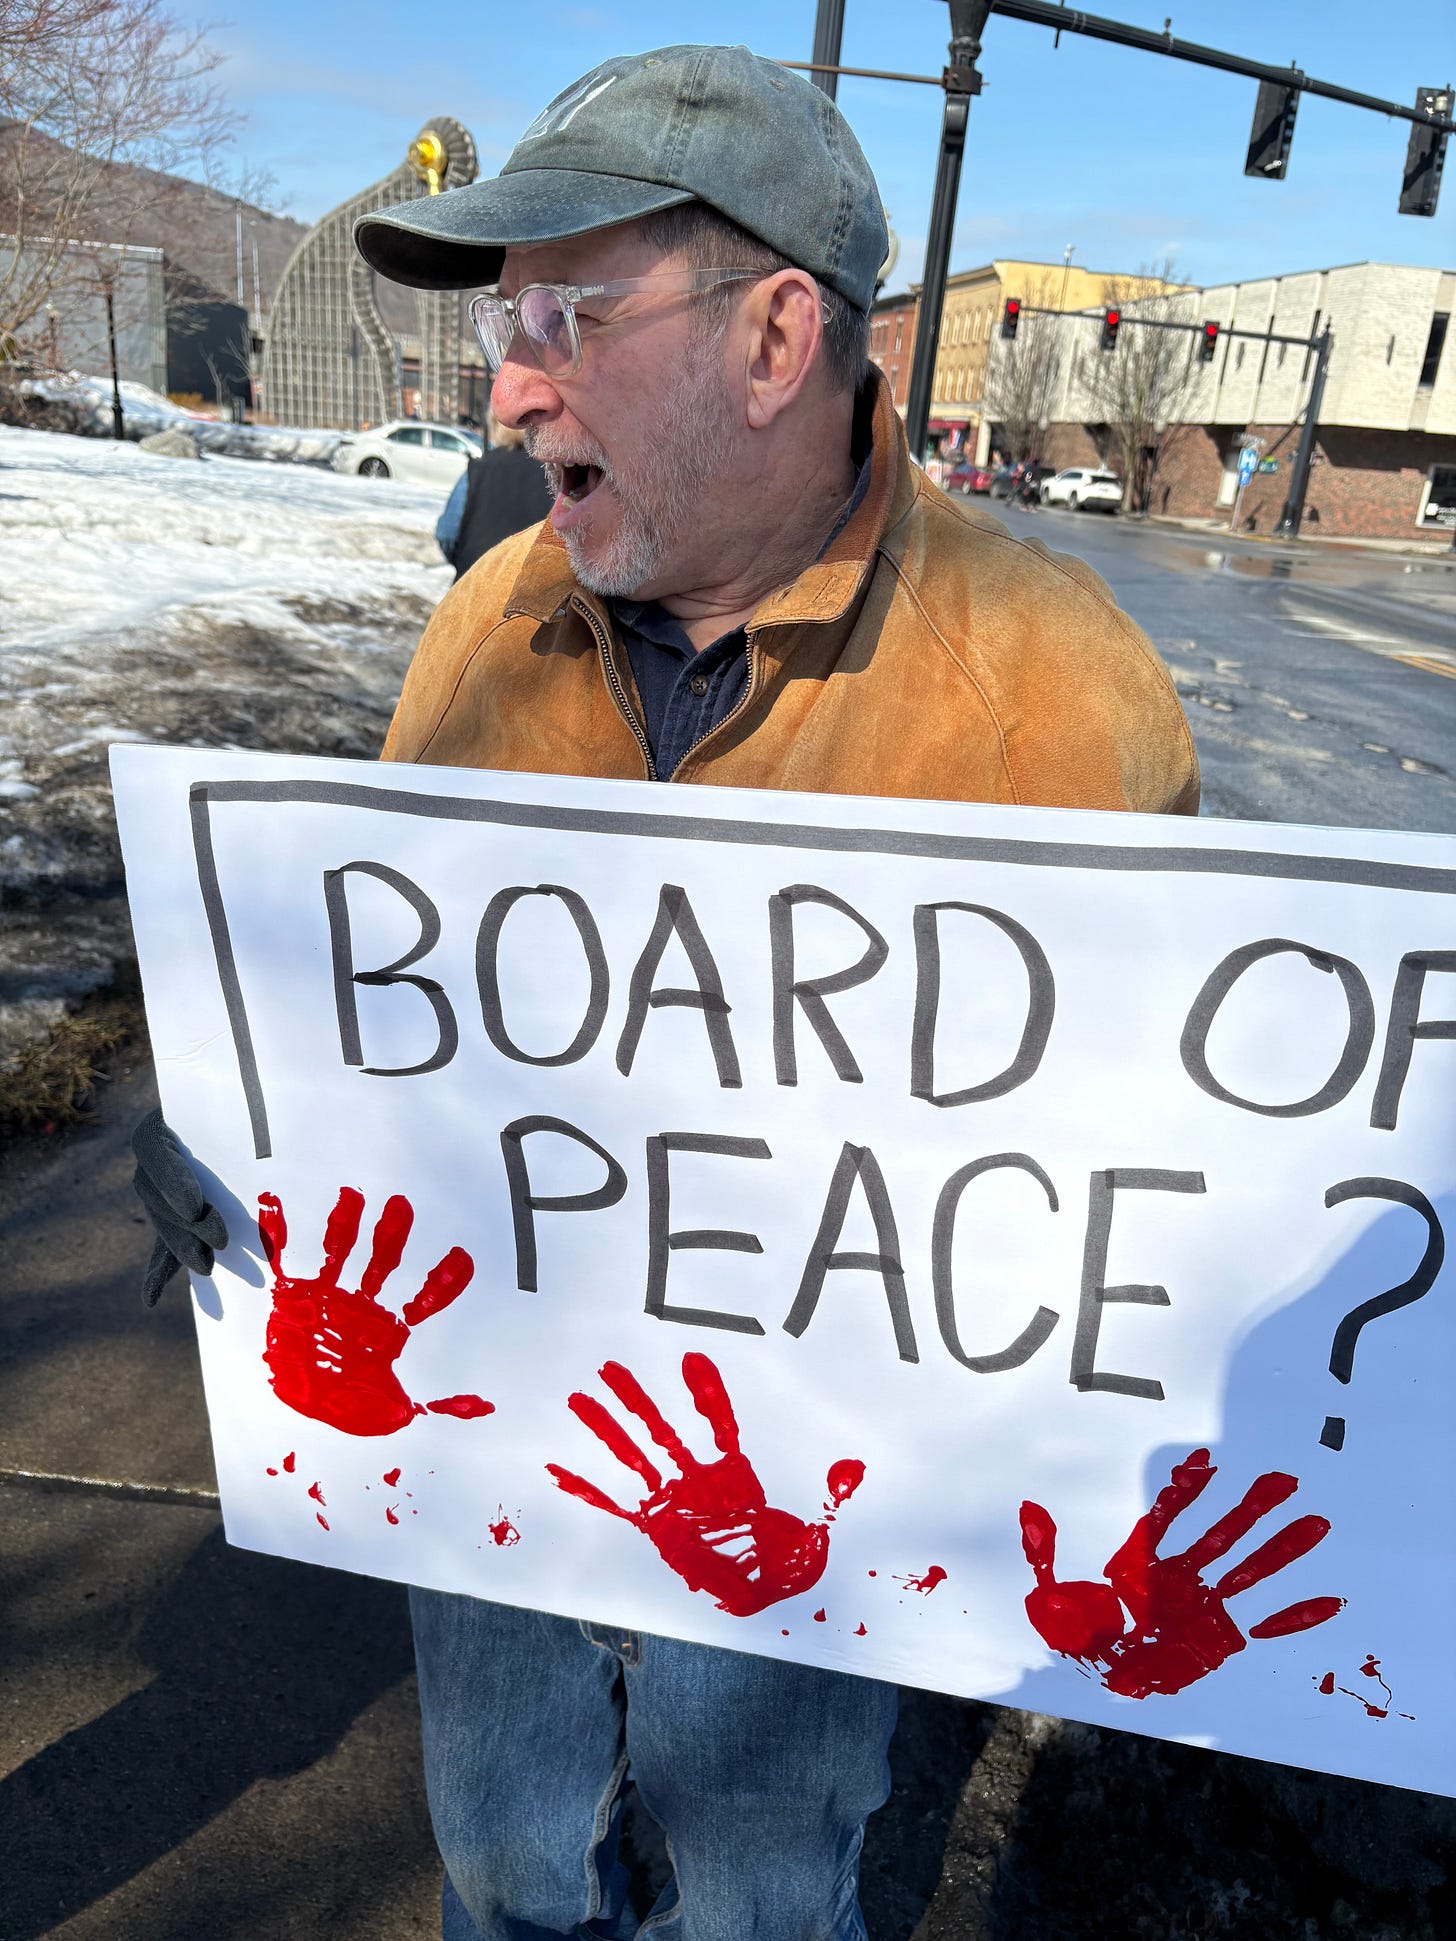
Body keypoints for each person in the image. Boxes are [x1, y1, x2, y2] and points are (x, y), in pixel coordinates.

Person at [135, 42, 1199, 1941]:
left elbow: (1155, 1168)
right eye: (506, 322)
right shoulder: (492, 619)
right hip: (497, 1414)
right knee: (505, 1859)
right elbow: (377, 1004)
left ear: (777, 338)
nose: (508, 381)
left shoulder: (1052, 691)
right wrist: (240, 1110)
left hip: (820, 1469)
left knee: (762, 1890)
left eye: (568, 314)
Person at [436, 410, 555, 579]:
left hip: (476, 578)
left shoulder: (477, 470)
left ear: (495, 425)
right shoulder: (554, 474)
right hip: (532, 583)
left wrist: (463, 561)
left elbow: (446, 534)